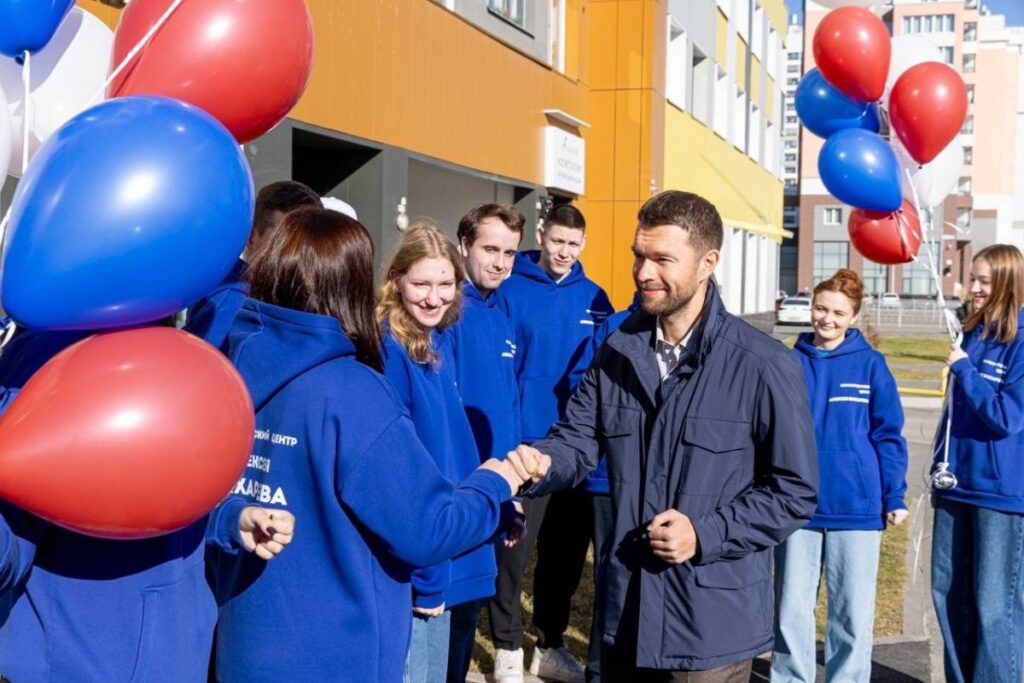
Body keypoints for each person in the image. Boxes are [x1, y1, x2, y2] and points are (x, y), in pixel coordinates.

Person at [504, 190, 818, 681]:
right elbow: (577, 439)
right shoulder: (616, 349)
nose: (643, 272)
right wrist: (542, 461)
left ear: (707, 263)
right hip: (625, 615)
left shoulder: (763, 364)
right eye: (639, 255)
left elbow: (794, 491)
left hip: (710, 630)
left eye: (662, 259)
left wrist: (705, 533)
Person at [210, 209, 525, 682]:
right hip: (336, 649)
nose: (435, 296)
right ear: (357, 285)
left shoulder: (226, 370)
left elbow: (191, 504)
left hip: (247, 640)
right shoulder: (352, 391)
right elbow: (424, 528)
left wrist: (230, 519)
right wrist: (494, 485)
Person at [0, 326, 290, 681]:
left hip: (175, 659)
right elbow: (13, 536)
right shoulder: (47, 360)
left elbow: (170, 486)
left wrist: (227, 519)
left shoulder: (175, 349)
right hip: (77, 668)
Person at [377, 223, 519, 683]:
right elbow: (404, 477)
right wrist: (428, 576)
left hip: (450, 547)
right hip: (425, 564)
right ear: (396, 279)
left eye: (445, 284)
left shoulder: (433, 341)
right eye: (421, 284)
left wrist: (493, 508)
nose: (434, 297)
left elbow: (452, 450)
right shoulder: (391, 349)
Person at [490, 204, 614, 683]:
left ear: (584, 244)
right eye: (557, 241)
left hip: (577, 449)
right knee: (514, 553)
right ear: (541, 235)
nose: (564, 252)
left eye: (573, 244)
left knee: (565, 556)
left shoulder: (595, 298)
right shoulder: (510, 289)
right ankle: (506, 645)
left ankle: (550, 644)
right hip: (527, 445)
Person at [771, 268, 909, 683]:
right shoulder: (788, 361)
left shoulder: (871, 365)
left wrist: (894, 495)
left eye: (837, 312)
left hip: (857, 509)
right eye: (820, 308)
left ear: (854, 317)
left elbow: (888, 435)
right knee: (791, 610)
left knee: (851, 614)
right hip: (797, 507)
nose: (826, 319)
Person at [931, 244, 1024, 683]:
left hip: (999, 495)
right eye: (973, 279)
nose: (975, 288)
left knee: (994, 606)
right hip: (955, 484)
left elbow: (1008, 417)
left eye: (985, 281)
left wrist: (966, 370)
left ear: (1008, 282)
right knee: (949, 595)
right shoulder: (972, 332)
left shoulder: (1020, 341)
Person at [446, 204, 526, 683]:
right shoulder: (448, 313)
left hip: (495, 491)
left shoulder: (501, 312)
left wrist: (510, 492)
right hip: (459, 493)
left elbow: (508, 407)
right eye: (490, 249)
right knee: (447, 617)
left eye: (509, 253)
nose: (500, 262)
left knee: (469, 611)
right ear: (464, 246)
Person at [186, 180, 322, 350]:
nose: (294, 253)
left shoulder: (296, 298)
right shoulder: (233, 305)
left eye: (306, 243)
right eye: (282, 242)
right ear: (251, 237)